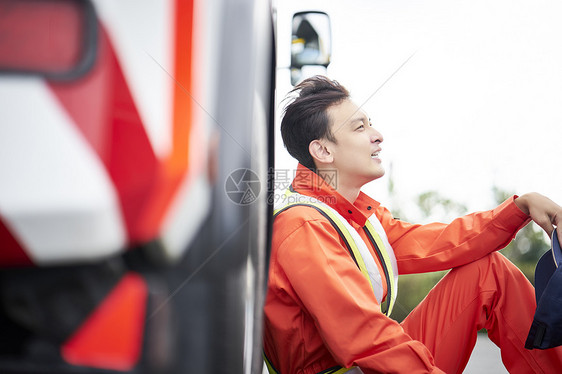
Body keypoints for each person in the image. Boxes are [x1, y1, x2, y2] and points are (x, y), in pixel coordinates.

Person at [263, 75, 562, 374]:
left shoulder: (354, 218)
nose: (377, 135)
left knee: (489, 273)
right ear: (324, 152)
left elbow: (443, 242)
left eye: (370, 123)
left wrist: (520, 207)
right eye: (359, 127)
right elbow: (364, 337)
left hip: (365, 365)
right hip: (355, 367)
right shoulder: (304, 226)